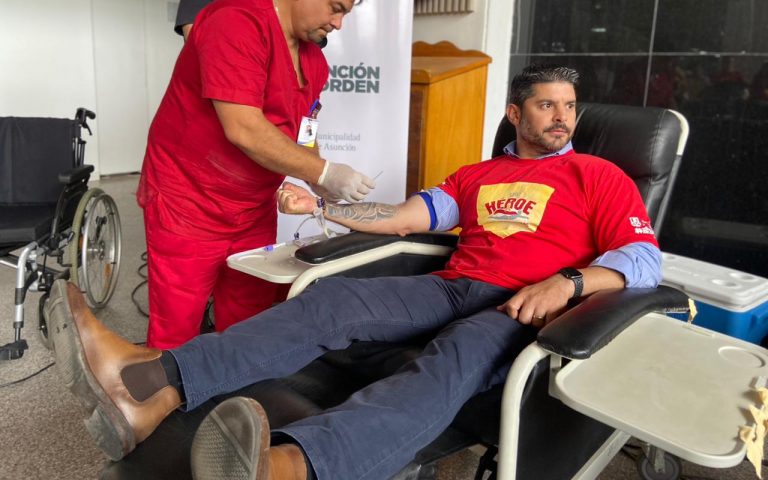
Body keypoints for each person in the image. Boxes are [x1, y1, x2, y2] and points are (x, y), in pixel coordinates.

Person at [50, 65, 662, 480]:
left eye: (569, 107)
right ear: (515, 113)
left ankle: (290, 468)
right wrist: (320, 207)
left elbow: (642, 260)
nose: (562, 117)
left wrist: (570, 283)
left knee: (449, 360)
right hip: (452, 285)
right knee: (332, 301)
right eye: (547, 104)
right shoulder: (477, 176)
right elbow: (401, 218)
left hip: (523, 307)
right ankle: (149, 386)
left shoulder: (596, 175)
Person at [139, 0, 376, 349]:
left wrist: (318, 181)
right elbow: (243, 128)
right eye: (335, 8)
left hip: (251, 210)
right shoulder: (233, 22)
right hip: (187, 202)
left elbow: (305, 131)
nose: (338, 24)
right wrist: (324, 172)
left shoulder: (315, 62)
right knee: (177, 333)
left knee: (249, 323)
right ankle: (164, 391)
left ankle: (232, 388)